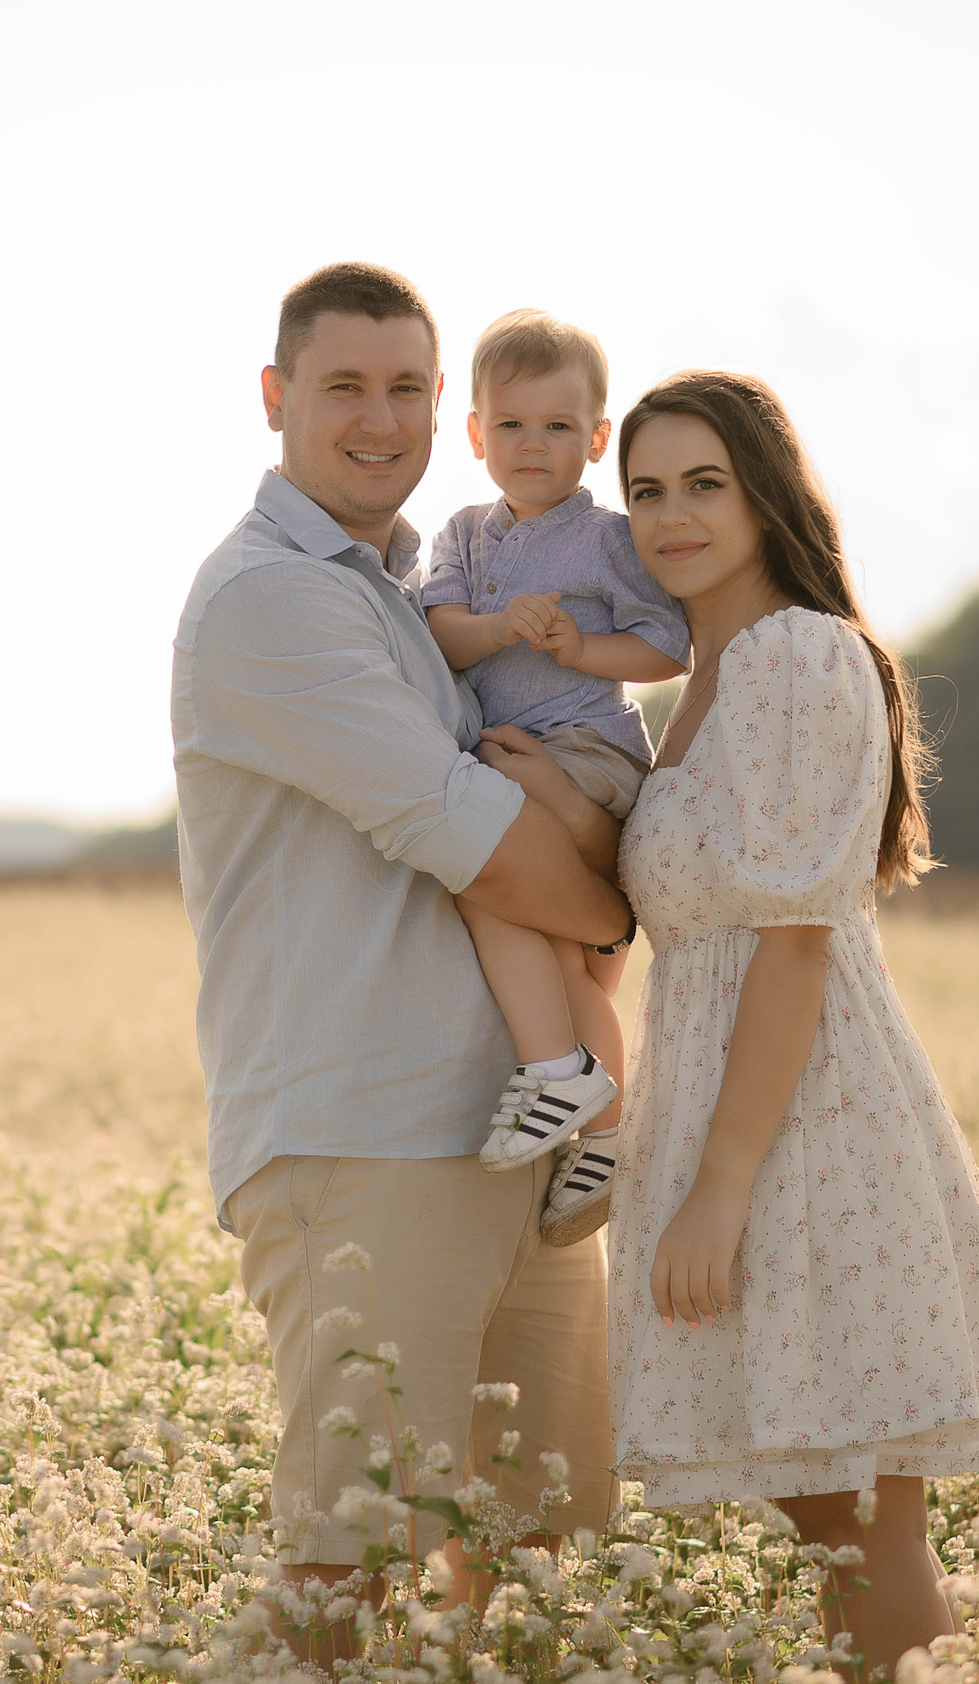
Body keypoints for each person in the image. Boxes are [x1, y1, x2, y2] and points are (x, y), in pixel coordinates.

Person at [486, 370, 979, 1681]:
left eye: (704, 485)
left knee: (858, 1523)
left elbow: (791, 946)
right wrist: (559, 796)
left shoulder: (793, 655)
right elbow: (675, 899)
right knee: (830, 1516)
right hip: (746, 1113)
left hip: (808, 1127)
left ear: (767, 493)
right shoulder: (705, 674)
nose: (671, 517)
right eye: (647, 492)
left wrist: (721, 1188)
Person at [170, 263, 633, 1653]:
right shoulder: (272, 601)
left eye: (409, 389)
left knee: (535, 1565)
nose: (382, 420)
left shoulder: (419, 589)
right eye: (344, 388)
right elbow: (481, 847)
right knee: (347, 1568)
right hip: (365, 1135)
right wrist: (619, 911)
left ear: (448, 407)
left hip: (509, 1134)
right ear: (275, 400)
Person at [417, 309, 687, 1245]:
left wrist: (581, 646)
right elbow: (442, 630)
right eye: (515, 426)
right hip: (514, 752)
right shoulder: (462, 534)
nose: (535, 445)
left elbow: (667, 643)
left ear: (597, 437)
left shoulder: (608, 539)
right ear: (477, 435)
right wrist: (499, 631)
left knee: (486, 879)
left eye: (560, 427)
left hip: (588, 750)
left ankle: (558, 1072)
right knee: (567, 955)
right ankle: (603, 1132)